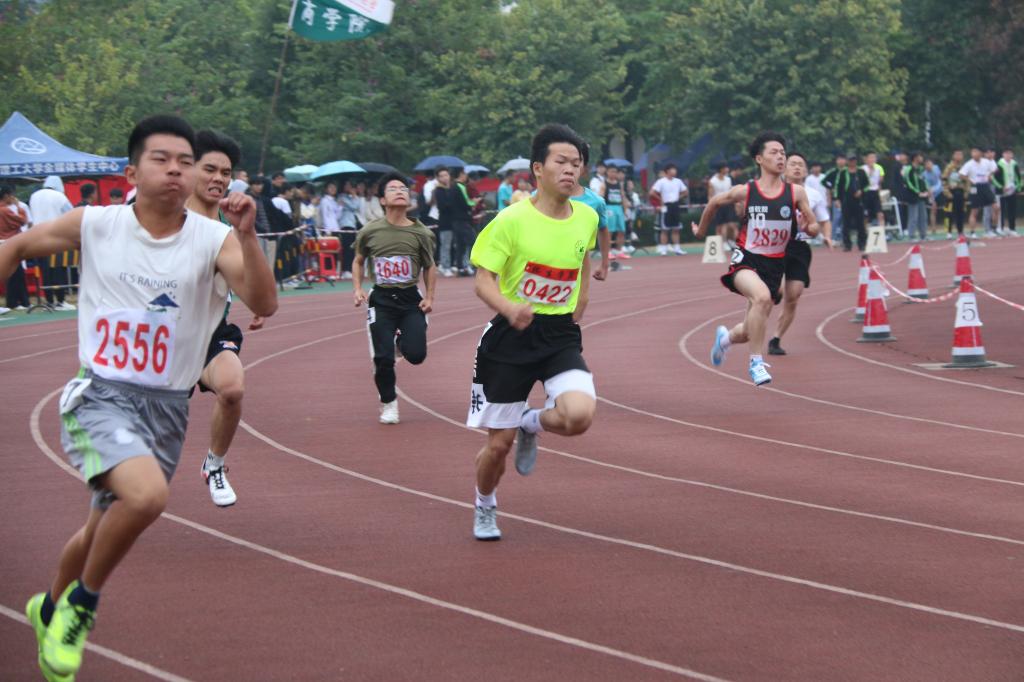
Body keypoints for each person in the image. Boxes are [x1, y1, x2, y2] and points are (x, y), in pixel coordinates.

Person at [5, 115, 276, 682]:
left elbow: (263, 302)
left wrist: (249, 237)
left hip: (168, 408)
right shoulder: (97, 224)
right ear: (132, 173)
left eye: (185, 161)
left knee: (101, 528)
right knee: (147, 496)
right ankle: (82, 607)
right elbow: (18, 247)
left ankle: (48, 608)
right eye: (162, 159)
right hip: (101, 396)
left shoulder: (214, 239)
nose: (176, 170)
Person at [467, 123, 598, 541]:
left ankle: (531, 423)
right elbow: (482, 279)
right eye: (561, 161)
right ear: (538, 169)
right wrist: (508, 307)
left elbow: (583, 259)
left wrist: (582, 299)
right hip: (511, 335)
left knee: (579, 416)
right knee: (498, 446)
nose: (571, 170)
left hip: (559, 333)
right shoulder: (510, 220)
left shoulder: (587, 217)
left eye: (577, 163)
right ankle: (485, 504)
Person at [693, 131, 819, 386]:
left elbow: (814, 225)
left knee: (750, 331)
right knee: (762, 298)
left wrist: (810, 228)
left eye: (783, 152)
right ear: (759, 159)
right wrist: (701, 231)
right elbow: (714, 202)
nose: (781, 157)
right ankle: (756, 363)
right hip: (747, 260)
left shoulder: (796, 193)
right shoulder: (746, 191)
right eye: (774, 152)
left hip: (775, 265)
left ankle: (725, 339)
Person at [183, 130, 254, 507]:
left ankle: (214, 465)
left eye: (225, 173)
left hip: (210, 334)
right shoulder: (166, 218)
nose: (218, 179)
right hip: (162, 338)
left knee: (232, 388)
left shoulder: (229, 227)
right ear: (189, 168)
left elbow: (243, 277)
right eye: (209, 169)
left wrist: (255, 302)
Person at [352, 173, 437, 424]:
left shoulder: (421, 232)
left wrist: (430, 297)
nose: (400, 191)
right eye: (393, 189)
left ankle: (400, 344)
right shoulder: (370, 231)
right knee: (382, 359)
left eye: (404, 189)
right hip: (381, 300)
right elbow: (358, 261)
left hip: (410, 298)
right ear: (382, 200)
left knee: (417, 355)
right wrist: (357, 288)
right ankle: (389, 404)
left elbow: (429, 266)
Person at [768, 152, 832, 356]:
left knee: (793, 296)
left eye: (800, 165)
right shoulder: (773, 190)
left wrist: (827, 236)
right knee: (776, 290)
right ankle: (768, 298)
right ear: (784, 169)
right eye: (792, 164)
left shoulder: (813, 195)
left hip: (800, 247)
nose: (797, 167)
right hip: (776, 245)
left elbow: (824, 220)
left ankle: (776, 339)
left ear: (805, 171)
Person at [28, 175, 76, 311]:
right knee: (58, 269)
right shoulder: (59, 196)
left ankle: (49, 302)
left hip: (37, 237)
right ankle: (60, 301)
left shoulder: (34, 196)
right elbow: (71, 214)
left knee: (45, 271)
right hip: (56, 237)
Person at [1, 185, 31, 311]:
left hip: (5, 243)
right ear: (6, 196)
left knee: (16, 273)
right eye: (12, 195)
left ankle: (23, 301)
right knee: (15, 274)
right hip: (10, 242)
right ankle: (14, 302)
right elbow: (23, 220)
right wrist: (18, 206)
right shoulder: (5, 210)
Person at [649, 163, 688, 255]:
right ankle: (663, 249)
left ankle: (677, 249)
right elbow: (652, 193)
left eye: (675, 169)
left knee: (676, 228)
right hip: (666, 206)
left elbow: (686, 192)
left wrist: (678, 197)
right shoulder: (661, 182)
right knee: (664, 229)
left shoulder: (678, 181)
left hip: (675, 205)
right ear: (667, 171)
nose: (675, 171)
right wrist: (661, 199)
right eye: (673, 169)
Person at [960, 147, 996, 239]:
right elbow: (961, 174)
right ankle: (972, 232)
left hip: (985, 186)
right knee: (974, 210)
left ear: (981, 153)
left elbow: (994, 169)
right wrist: (970, 180)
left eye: (976, 152)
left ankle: (992, 229)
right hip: (974, 187)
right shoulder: (969, 164)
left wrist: (989, 175)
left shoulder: (986, 162)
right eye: (972, 152)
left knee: (996, 207)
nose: (974, 154)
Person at [602, 166, 631, 258]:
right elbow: (600, 197)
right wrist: (602, 210)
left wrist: (625, 209)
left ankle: (619, 251)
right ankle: (608, 252)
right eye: (611, 171)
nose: (613, 173)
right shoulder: (604, 184)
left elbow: (623, 196)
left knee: (621, 230)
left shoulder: (619, 184)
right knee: (609, 231)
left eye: (615, 172)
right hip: (609, 207)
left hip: (619, 208)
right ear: (607, 172)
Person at [902, 153, 930, 241]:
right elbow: (907, 182)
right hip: (913, 195)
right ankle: (912, 236)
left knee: (923, 216)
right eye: (920, 157)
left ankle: (923, 235)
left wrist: (927, 189)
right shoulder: (909, 169)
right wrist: (917, 192)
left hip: (922, 195)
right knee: (913, 216)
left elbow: (924, 180)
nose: (921, 158)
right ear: (915, 158)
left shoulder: (921, 169)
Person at [993, 148, 1020, 236]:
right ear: (1003, 154)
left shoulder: (1014, 164)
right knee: (1001, 210)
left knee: (1012, 209)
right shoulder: (998, 164)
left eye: (1010, 153)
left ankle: (1012, 229)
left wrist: (1017, 187)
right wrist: (1001, 187)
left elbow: (1018, 177)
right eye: (1006, 153)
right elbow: (993, 178)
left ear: (1012, 155)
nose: (1008, 155)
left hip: (1012, 190)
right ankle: (1000, 228)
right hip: (1001, 191)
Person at [708, 163, 737, 245]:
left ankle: (730, 242)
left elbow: (731, 191)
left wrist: (735, 203)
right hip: (718, 205)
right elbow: (710, 196)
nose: (727, 169)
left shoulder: (728, 179)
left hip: (728, 204)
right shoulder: (712, 181)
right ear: (721, 169)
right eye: (726, 168)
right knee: (719, 226)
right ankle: (721, 243)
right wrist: (711, 207)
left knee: (730, 225)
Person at [943, 150, 967, 238]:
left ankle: (960, 231)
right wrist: (947, 192)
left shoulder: (964, 167)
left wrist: (966, 192)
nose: (959, 156)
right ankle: (948, 232)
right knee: (949, 213)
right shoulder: (949, 167)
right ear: (953, 156)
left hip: (961, 192)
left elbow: (967, 181)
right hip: (951, 192)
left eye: (960, 154)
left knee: (961, 213)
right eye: (957, 154)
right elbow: (944, 180)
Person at [862, 152, 886, 227]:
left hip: (875, 192)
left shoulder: (879, 168)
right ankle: (865, 231)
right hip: (866, 193)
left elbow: (880, 181)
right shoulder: (862, 169)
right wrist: (870, 171)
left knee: (880, 213)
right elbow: (862, 182)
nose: (872, 159)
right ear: (866, 159)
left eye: (874, 157)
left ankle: (882, 230)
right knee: (865, 215)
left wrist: (879, 193)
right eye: (871, 157)